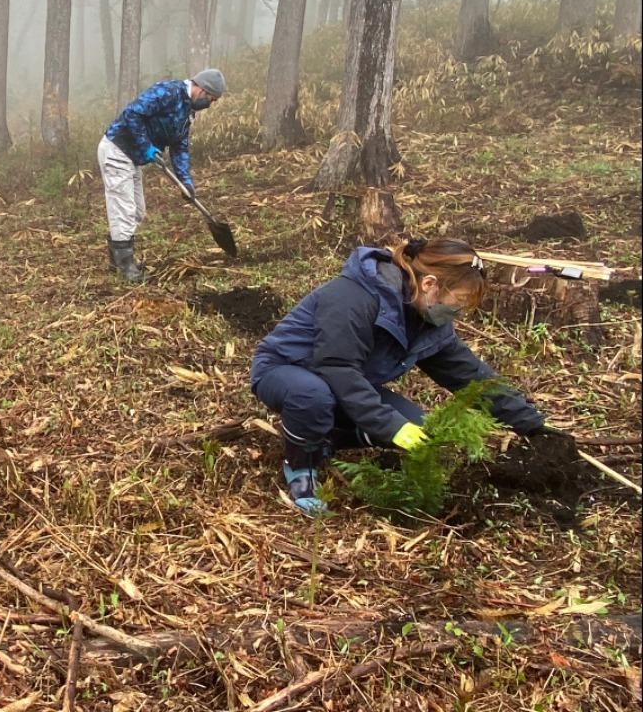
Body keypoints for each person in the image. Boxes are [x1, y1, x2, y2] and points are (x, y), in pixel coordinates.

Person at [250, 238, 555, 516]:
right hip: (286, 369)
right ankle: (301, 466)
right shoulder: (355, 297)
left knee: (417, 426)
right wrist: (391, 426)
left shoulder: (426, 321)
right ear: (430, 284)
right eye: (457, 302)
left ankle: (322, 437)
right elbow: (337, 367)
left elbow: (471, 377)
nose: (457, 312)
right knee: (312, 396)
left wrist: (533, 425)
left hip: (343, 380)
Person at [99, 68, 226, 282]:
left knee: (138, 211)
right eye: (210, 99)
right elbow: (132, 113)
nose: (209, 104)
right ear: (201, 89)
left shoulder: (187, 113)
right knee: (125, 209)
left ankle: (116, 255)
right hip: (117, 149)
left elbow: (180, 147)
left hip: (133, 158)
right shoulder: (168, 92)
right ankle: (126, 267)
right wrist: (146, 146)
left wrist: (186, 181)